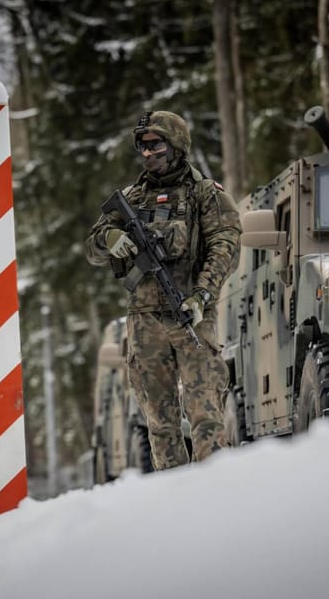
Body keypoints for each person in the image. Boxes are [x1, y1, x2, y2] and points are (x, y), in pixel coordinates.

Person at [85, 110, 241, 471]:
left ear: (176, 144)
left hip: (191, 315)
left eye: (155, 144)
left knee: (207, 415)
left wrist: (202, 296)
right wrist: (110, 238)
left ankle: (216, 492)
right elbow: (92, 248)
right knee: (158, 421)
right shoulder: (130, 198)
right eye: (142, 146)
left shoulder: (206, 194)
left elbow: (225, 247)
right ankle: (174, 497)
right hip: (144, 323)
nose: (147, 153)